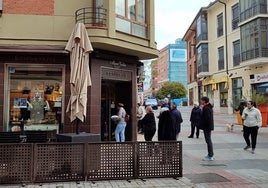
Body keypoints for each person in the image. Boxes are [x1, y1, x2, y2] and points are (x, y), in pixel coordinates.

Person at [199, 96, 214, 161]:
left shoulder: (206, 108)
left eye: (201, 100)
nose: (201, 101)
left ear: (204, 101)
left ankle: (210, 155)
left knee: (208, 140)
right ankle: (210, 154)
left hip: (207, 127)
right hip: (208, 127)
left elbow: (207, 119)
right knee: (208, 140)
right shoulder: (207, 107)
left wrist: (204, 126)